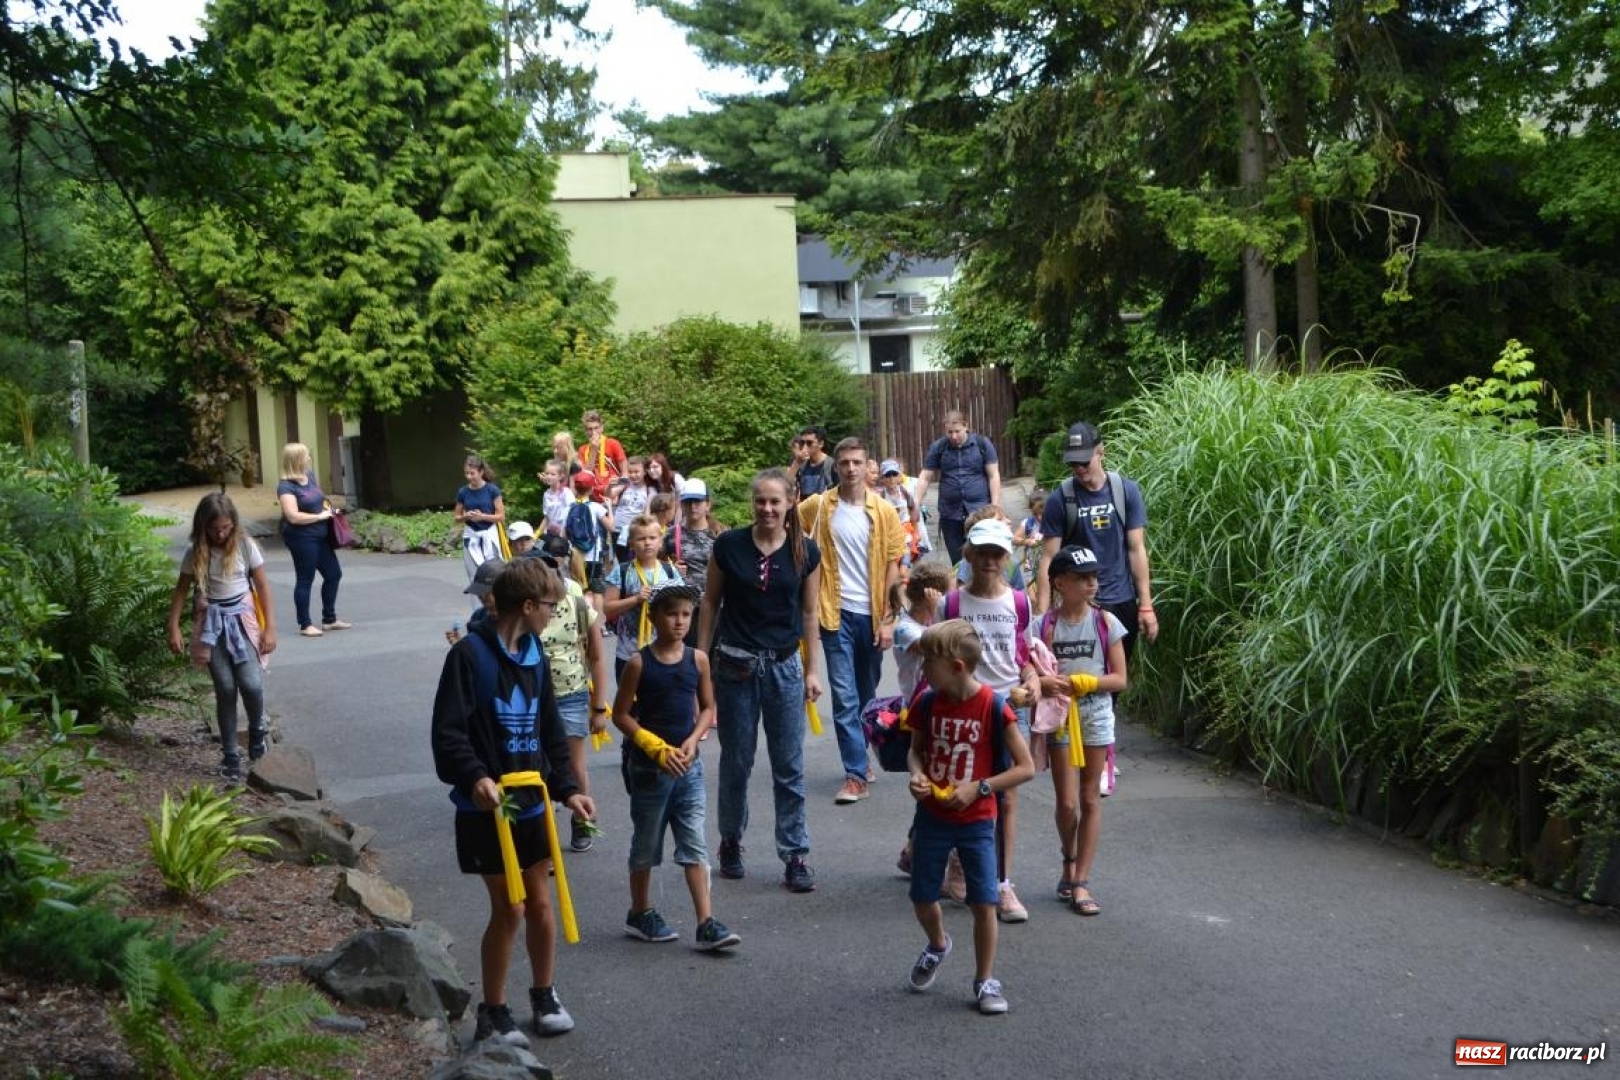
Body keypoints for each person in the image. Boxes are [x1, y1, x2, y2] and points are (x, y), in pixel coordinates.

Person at [430, 558, 594, 1043]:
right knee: (511, 909)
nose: (553, 614)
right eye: (549, 606)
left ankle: (544, 994)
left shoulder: (535, 654)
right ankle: (493, 1010)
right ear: (527, 606)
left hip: (532, 799)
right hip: (487, 808)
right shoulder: (468, 656)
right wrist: (475, 776)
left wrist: (569, 790)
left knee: (541, 904)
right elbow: (448, 732)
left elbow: (550, 731)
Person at [699, 468, 824, 891]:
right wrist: (700, 660)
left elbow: (809, 614)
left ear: (790, 501)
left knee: (789, 764)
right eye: (760, 501)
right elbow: (710, 603)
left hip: (785, 666)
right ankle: (730, 840)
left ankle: (795, 853)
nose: (767, 508)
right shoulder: (728, 546)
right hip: (735, 665)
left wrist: (811, 669)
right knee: (737, 760)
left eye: (775, 501)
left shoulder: (805, 551)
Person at [903, 619, 1034, 1016]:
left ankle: (984, 979)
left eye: (929, 662)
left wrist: (979, 788)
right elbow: (916, 750)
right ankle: (938, 943)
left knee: (983, 902)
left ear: (957, 666)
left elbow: (1024, 768)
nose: (923, 669)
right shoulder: (927, 702)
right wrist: (917, 774)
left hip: (977, 819)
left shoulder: (994, 707)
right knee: (923, 897)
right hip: (932, 817)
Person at [611, 583, 739, 950]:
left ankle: (706, 921)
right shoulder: (639, 663)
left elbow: (708, 707)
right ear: (653, 617)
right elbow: (621, 715)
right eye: (671, 614)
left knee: (694, 843)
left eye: (686, 614)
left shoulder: (697, 659)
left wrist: (694, 738)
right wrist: (652, 747)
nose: (680, 621)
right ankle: (640, 911)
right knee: (646, 843)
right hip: (650, 769)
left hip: (688, 767)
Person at [797, 437, 906, 804]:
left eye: (857, 462)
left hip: (872, 612)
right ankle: (855, 774)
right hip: (833, 611)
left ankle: (861, 751)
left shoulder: (884, 511)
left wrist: (889, 619)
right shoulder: (818, 507)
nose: (850, 469)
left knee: (865, 691)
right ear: (836, 467)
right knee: (844, 697)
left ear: (866, 465)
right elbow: (782, 516)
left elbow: (894, 567)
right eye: (844, 463)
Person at [943, 518, 1040, 923]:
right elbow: (939, 660)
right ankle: (957, 863)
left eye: (997, 553)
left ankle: (1001, 884)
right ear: (968, 553)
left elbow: (1025, 654)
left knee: (1008, 795)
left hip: (1008, 707)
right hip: (964, 707)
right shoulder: (951, 604)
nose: (989, 560)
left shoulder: (1019, 602)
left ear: (1007, 556)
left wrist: (1033, 679)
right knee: (958, 793)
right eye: (981, 552)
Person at [1036, 546, 1127, 917]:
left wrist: (1087, 681)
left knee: (1091, 799)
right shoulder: (1045, 625)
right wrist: (1045, 682)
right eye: (1082, 578)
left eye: (1094, 577)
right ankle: (1068, 861)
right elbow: (1032, 672)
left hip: (1097, 717)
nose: (1091, 584)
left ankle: (1081, 881)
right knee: (1067, 802)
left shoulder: (1106, 623)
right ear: (1060, 583)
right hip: (1060, 717)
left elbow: (1121, 679)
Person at [166, 492, 277, 784]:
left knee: (251, 683)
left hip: (243, 621)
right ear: (202, 526)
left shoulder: (244, 545)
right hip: (211, 625)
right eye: (214, 529)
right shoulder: (196, 552)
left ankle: (256, 729)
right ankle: (229, 753)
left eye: (226, 527)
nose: (220, 533)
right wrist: (174, 627)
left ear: (234, 524)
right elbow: (180, 591)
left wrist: (270, 628)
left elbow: (263, 586)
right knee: (226, 689)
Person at [1036, 421, 1159, 659]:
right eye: (1073, 463)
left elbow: (1136, 549)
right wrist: (1042, 616)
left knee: (1116, 682)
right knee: (1080, 678)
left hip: (1121, 601)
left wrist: (1145, 605)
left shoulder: (1125, 491)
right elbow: (1048, 558)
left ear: (1101, 451)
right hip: (1078, 603)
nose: (1079, 468)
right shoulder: (1060, 499)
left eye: (1084, 461)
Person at [531, 537, 612, 853]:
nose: (549, 575)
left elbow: (597, 654)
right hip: (533, 696)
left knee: (572, 764)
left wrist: (600, 706)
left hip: (571, 693)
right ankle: (543, 837)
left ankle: (582, 821)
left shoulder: (576, 598)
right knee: (537, 764)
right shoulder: (526, 604)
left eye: (553, 567)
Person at [276, 442, 349, 638]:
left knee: (333, 574)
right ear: (296, 460)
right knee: (305, 579)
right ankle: (305, 624)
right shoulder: (285, 487)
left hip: (321, 535)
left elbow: (319, 500)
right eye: (306, 455)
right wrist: (319, 517)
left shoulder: (310, 476)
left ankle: (329, 619)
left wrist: (329, 511)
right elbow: (292, 516)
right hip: (301, 538)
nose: (309, 458)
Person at [914, 410, 1002, 564]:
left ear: (966, 426)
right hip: (950, 514)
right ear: (945, 430)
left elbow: (993, 475)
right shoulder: (939, 447)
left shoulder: (982, 444)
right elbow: (925, 477)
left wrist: (995, 506)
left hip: (980, 513)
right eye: (950, 432)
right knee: (958, 562)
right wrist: (915, 503)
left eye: (957, 431)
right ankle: (961, 588)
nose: (954, 436)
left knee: (982, 559)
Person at [604, 514, 683, 679]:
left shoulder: (670, 571)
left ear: (660, 541)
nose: (647, 543)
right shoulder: (622, 571)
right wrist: (635, 599)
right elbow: (607, 609)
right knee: (630, 702)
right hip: (628, 654)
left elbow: (682, 606)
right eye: (641, 539)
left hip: (664, 652)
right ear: (631, 544)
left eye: (652, 538)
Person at [456, 455, 506, 607]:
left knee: (495, 574)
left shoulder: (492, 490)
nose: (469, 477)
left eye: (472, 473)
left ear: (481, 472)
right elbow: (457, 517)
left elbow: (501, 516)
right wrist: (466, 516)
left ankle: (498, 608)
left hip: (489, 535)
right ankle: (478, 612)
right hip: (471, 536)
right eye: (467, 473)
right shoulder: (463, 492)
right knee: (474, 576)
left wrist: (482, 516)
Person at [877, 459, 923, 573]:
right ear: (882, 478)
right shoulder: (881, 496)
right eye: (887, 475)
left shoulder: (904, 492)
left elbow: (913, 511)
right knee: (895, 556)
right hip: (890, 531)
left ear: (899, 476)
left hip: (906, 526)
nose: (891, 478)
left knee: (908, 547)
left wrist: (916, 532)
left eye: (894, 474)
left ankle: (906, 567)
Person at [610, 457, 652, 566]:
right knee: (621, 562)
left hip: (634, 532)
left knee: (634, 562)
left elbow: (647, 513)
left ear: (645, 472)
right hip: (617, 530)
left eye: (636, 472)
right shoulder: (625, 485)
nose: (633, 475)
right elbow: (609, 495)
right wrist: (611, 485)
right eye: (630, 472)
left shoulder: (649, 490)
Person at [579, 410, 627, 497]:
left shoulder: (613, 443)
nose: (594, 432)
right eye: (590, 429)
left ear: (602, 428)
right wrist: (593, 449)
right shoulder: (582, 450)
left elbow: (625, 474)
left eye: (596, 428)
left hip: (614, 491)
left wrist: (617, 491)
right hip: (593, 494)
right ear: (585, 431)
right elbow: (586, 476)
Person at [1014, 488, 1045, 590]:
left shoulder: (1055, 522)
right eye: (1035, 514)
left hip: (1050, 563)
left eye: (1042, 513)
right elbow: (1014, 539)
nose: (1039, 517)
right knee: (1033, 597)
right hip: (1031, 563)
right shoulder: (1028, 523)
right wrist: (1028, 541)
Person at [792, 426, 835, 498]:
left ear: (821, 444)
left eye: (809, 443)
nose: (805, 446)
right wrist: (797, 462)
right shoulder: (800, 464)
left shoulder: (832, 465)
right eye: (802, 443)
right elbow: (785, 486)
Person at [539, 460, 571, 536]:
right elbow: (547, 517)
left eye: (553, 474)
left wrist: (563, 533)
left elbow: (572, 515)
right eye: (547, 473)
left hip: (563, 534)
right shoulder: (546, 494)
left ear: (561, 476)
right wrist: (537, 535)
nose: (549, 476)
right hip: (550, 533)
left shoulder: (566, 493)